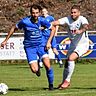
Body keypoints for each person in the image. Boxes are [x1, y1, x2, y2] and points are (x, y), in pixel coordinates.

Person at [0, 4, 55, 90]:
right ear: (30, 13)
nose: (35, 15)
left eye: (37, 13)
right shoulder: (25, 21)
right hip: (30, 47)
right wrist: (6, 40)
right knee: (34, 70)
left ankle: (51, 86)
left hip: (41, 45)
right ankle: (37, 68)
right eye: (33, 13)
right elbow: (14, 28)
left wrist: (48, 42)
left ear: (39, 13)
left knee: (48, 66)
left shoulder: (42, 20)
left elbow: (53, 29)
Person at [51, 5, 89, 89]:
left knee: (71, 58)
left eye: (75, 12)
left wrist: (80, 30)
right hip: (73, 45)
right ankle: (64, 82)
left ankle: (67, 80)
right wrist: (47, 25)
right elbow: (56, 22)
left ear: (79, 13)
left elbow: (86, 26)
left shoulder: (82, 19)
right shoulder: (67, 19)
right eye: (72, 12)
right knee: (67, 64)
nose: (73, 14)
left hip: (83, 45)